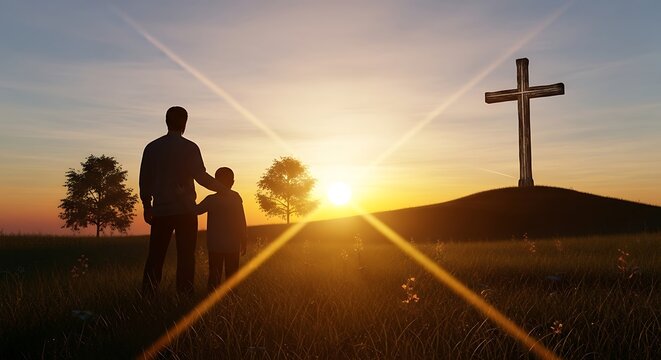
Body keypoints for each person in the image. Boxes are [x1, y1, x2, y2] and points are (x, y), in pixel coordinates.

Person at [139, 106, 227, 296]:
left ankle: (147, 296)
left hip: (161, 211)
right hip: (186, 211)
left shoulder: (152, 148)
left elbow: (144, 180)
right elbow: (201, 177)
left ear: (166, 121)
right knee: (186, 256)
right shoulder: (189, 147)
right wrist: (222, 188)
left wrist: (147, 206)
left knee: (155, 256)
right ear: (185, 123)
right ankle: (184, 296)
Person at [196, 167, 247, 291]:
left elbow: (196, 210)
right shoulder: (235, 197)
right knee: (232, 275)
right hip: (232, 244)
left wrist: (184, 197)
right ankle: (232, 299)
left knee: (214, 275)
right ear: (233, 182)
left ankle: (212, 300)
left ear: (215, 182)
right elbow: (241, 220)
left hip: (215, 245)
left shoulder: (211, 200)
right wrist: (243, 239)